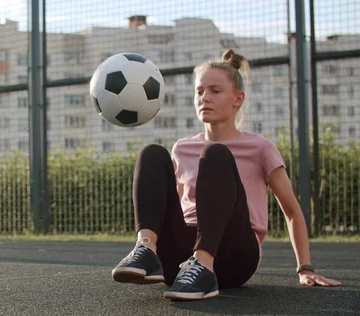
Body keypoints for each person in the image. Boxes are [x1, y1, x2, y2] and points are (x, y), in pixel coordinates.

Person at [111, 49, 341, 300]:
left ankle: (204, 264)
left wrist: (305, 268)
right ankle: (146, 249)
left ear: (238, 99)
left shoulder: (260, 148)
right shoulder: (183, 148)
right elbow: (174, 209)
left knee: (216, 154)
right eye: (199, 92)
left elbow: (292, 211)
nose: (204, 98)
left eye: (215, 91)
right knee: (152, 153)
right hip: (180, 263)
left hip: (235, 257)